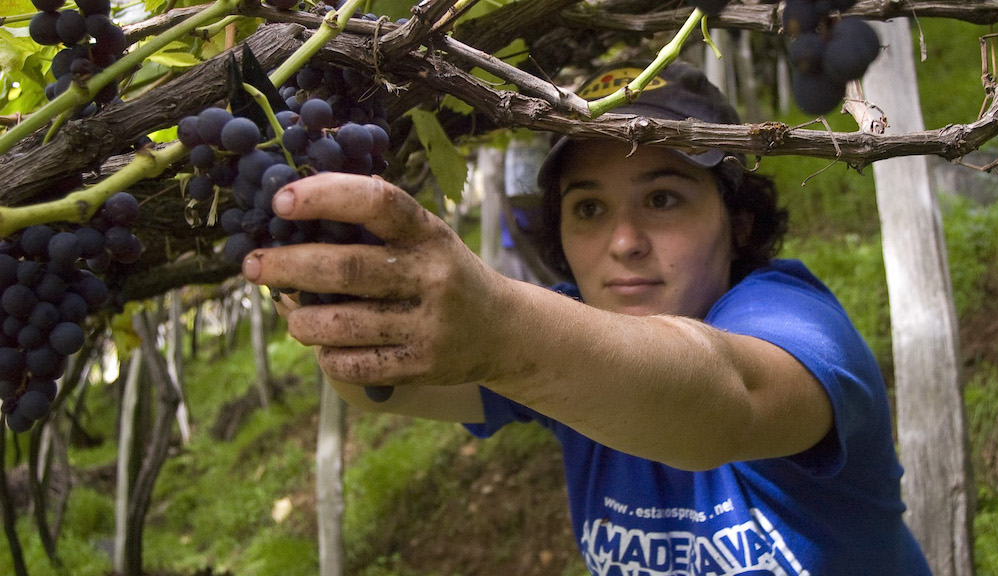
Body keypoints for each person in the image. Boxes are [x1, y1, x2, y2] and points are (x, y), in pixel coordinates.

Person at [241, 61, 932, 575]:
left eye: (662, 199)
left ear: (739, 220)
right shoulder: (565, 348)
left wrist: (499, 329)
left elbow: (725, 399)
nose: (624, 241)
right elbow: (378, 383)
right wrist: (326, 280)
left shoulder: (796, 323)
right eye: (589, 209)